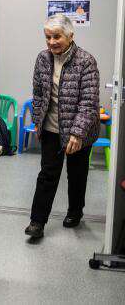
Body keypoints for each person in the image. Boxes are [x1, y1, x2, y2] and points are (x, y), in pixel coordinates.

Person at [25, 14, 100, 238]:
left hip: (80, 131)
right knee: (47, 174)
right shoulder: (42, 58)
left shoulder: (86, 61)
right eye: (48, 37)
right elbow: (38, 93)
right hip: (51, 128)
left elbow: (89, 102)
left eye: (56, 37)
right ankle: (37, 222)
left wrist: (77, 133)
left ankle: (75, 212)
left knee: (77, 174)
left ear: (70, 36)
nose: (51, 42)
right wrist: (38, 120)